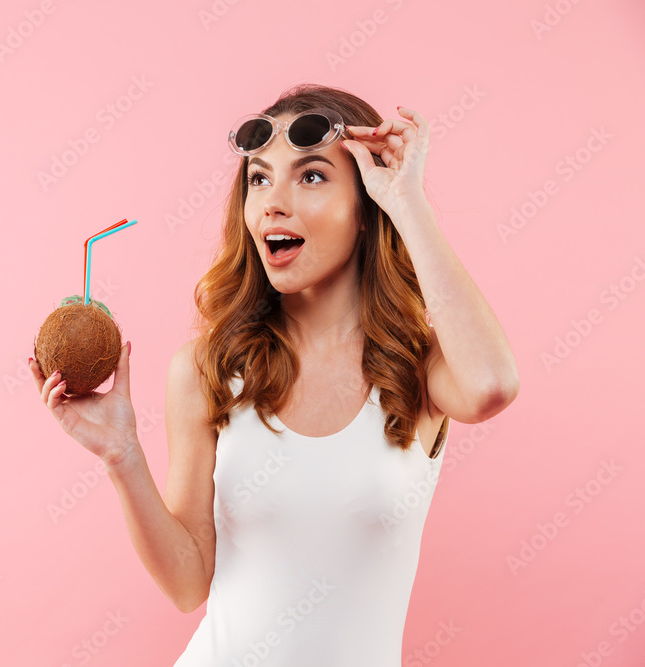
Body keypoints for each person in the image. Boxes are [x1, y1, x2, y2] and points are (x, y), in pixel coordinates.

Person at [29, 83, 519, 665]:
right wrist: (121, 456)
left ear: (366, 207)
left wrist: (407, 202)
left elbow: (492, 385)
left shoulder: (420, 366)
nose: (272, 202)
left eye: (311, 176)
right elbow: (188, 584)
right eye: (259, 179)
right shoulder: (207, 368)